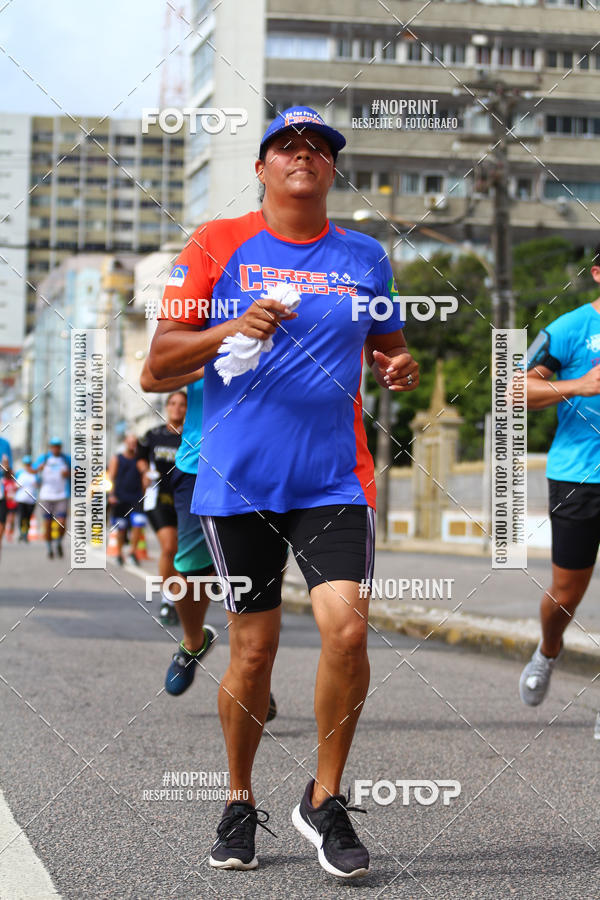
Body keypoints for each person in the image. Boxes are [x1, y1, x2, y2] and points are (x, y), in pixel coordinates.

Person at [147, 106, 419, 878]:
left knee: (348, 633)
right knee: (254, 649)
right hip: (239, 482)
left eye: (319, 148)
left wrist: (399, 368)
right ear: (262, 167)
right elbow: (157, 367)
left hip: (334, 479)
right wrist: (231, 327)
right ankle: (238, 800)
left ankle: (324, 799)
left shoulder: (365, 257)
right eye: (288, 146)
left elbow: (391, 349)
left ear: (333, 169)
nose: (304, 155)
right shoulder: (215, 244)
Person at [519, 252, 600, 723]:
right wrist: (578, 386)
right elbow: (515, 390)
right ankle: (549, 649)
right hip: (578, 477)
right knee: (565, 595)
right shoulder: (569, 328)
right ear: (597, 273)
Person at [137, 391, 186, 625]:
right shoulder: (153, 435)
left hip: (184, 498)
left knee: (182, 552)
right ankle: (168, 600)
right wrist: (145, 471)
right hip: (159, 497)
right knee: (169, 546)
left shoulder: (192, 436)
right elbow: (140, 457)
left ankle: (180, 599)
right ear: (167, 407)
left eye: (182, 404)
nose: (177, 408)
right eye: (173, 403)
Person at [107, 434, 147, 566]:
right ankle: (119, 553)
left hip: (136, 498)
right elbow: (111, 477)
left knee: (138, 523)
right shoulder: (117, 458)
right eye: (130, 442)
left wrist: (145, 472)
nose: (132, 445)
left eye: (134, 442)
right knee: (121, 527)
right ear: (125, 442)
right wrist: (111, 495)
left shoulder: (140, 460)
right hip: (120, 498)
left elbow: (146, 480)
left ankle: (132, 552)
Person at [34, 437, 70, 559]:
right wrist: (38, 469)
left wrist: (68, 474)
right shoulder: (44, 458)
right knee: (48, 524)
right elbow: (32, 470)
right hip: (46, 496)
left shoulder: (66, 459)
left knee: (62, 522)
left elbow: (77, 472)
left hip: (62, 495)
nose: (56, 448)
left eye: (58, 446)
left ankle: (59, 542)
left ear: (60, 447)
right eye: (53, 446)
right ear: (50, 447)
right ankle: (49, 547)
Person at [14, 455, 37, 542]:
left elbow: (37, 484)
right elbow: (15, 485)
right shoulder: (20, 473)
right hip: (21, 499)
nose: (27, 466)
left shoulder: (34, 474)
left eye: (29, 464)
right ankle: (21, 533)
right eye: (26, 464)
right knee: (21, 516)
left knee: (28, 517)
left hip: (31, 500)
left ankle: (26, 533)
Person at [0, 436, 13, 559]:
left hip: (1, 493)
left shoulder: (5, 444)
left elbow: (10, 473)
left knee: (1, 525)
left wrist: (7, 468)